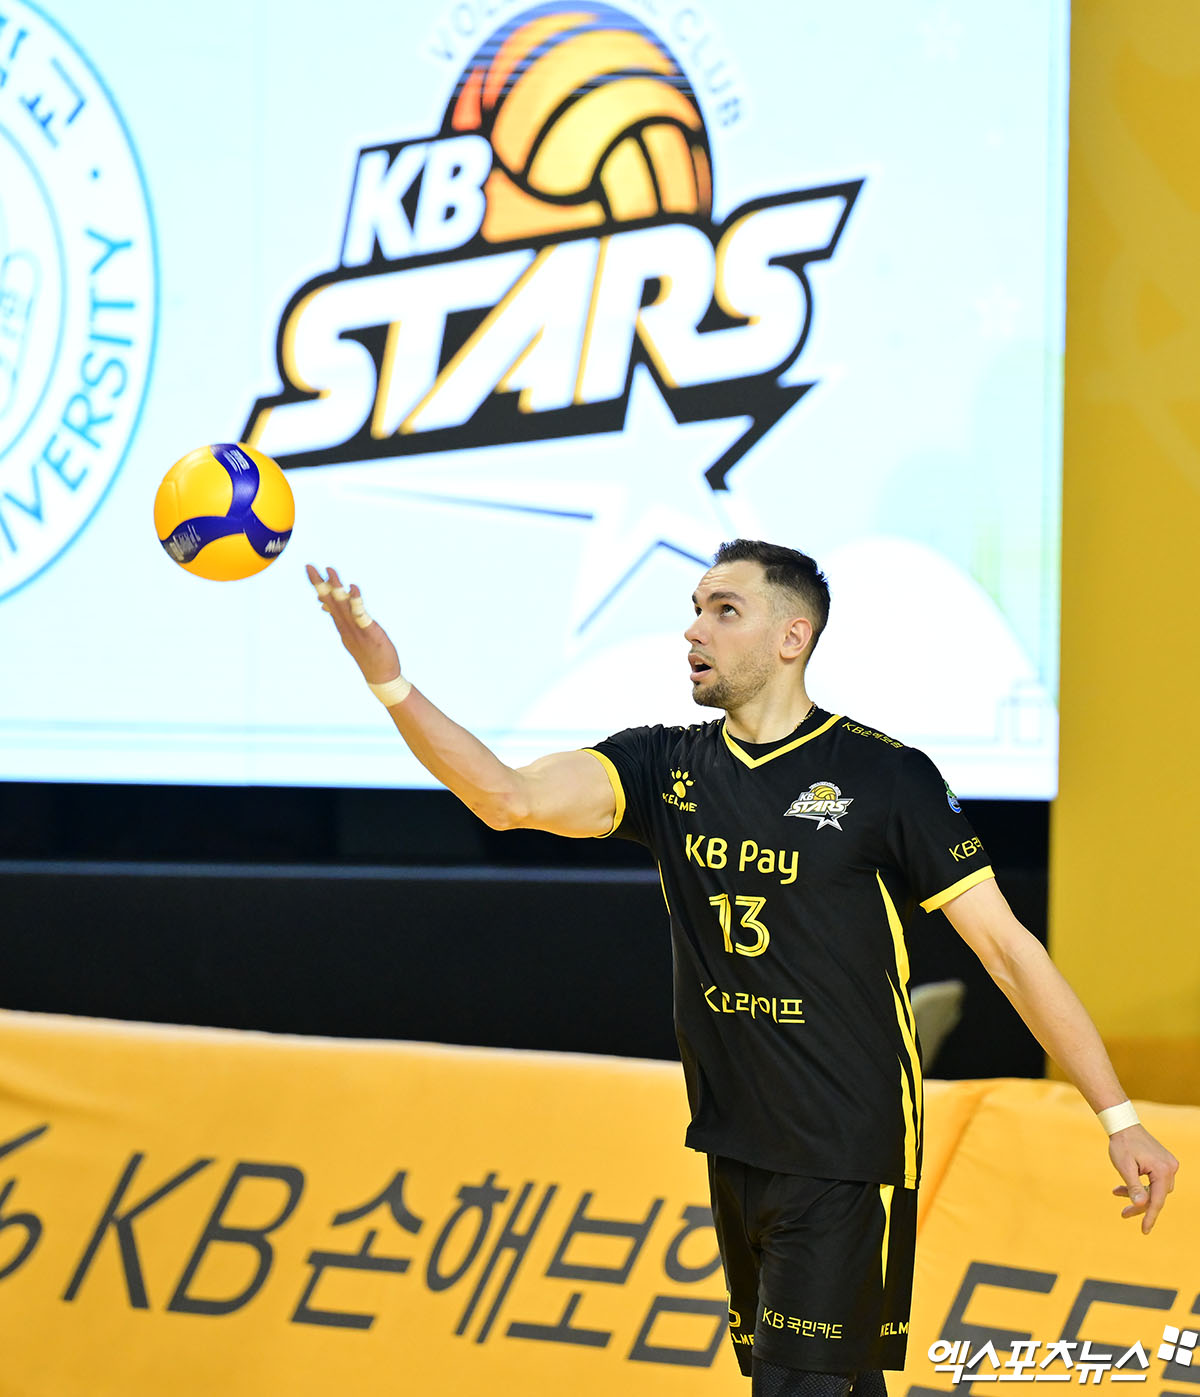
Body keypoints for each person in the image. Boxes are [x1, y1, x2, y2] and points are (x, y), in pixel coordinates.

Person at [306, 540, 1178, 1397]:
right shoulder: (662, 765)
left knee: (797, 1385)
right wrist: (390, 681)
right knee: (830, 1384)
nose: (696, 629)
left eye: (725, 610)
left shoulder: (884, 776)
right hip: (736, 1143)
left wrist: (1119, 1117)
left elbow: (1010, 951)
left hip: (844, 1149)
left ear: (793, 637)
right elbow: (506, 796)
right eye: (695, 609)